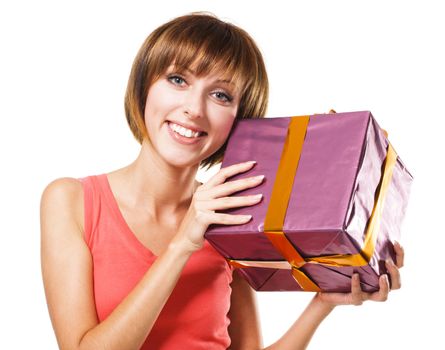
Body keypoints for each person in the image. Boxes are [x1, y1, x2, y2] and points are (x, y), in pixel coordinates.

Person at [40, 11, 404, 350]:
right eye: (177, 79)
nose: (194, 108)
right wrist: (183, 243)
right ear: (144, 86)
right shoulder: (71, 200)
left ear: (239, 121)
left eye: (220, 95)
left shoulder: (231, 213)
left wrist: (322, 303)